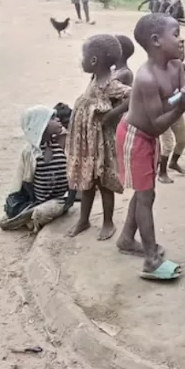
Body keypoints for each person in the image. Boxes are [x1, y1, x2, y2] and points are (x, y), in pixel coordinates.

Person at [115, 13, 185, 280]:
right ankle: (151, 260)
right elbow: (157, 123)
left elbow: (183, 105)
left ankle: (126, 239)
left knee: (145, 191)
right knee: (146, 196)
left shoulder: (177, 66)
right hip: (136, 137)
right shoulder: (146, 78)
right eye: (176, 34)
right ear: (156, 41)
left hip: (149, 135)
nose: (181, 39)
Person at [65, 35, 132, 241]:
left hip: (101, 142)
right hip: (87, 142)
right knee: (87, 181)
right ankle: (83, 220)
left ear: (93, 61)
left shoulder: (109, 83)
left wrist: (112, 115)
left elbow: (133, 95)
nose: (81, 60)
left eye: (83, 56)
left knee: (103, 183)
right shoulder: (95, 78)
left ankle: (108, 222)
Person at [0, 105, 71, 232]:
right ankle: (26, 215)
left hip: (60, 199)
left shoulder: (62, 143)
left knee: (42, 212)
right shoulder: (30, 152)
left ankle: (26, 218)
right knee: (19, 210)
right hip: (38, 200)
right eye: (52, 118)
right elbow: (25, 180)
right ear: (41, 125)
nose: (58, 120)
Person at [158, 38, 185, 184]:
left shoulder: (181, 67)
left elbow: (183, 88)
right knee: (168, 143)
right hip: (163, 112)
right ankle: (162, 172)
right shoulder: (161, 69)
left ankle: (173, 162)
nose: (182, 52)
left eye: (183, 49)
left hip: (176, 110)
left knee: (182, 140)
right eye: (179, 49)